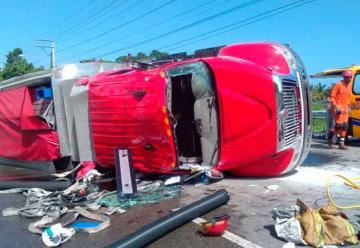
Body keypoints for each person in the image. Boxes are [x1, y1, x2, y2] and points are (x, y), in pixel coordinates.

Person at [328, 69, 352, 149]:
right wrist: (336, 106)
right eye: (348, 77)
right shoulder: (338, 85)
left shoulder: (348, 86)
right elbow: (332, 97)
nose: (349, 79)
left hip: (345, 109)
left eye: (350, 77)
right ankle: (330, 137)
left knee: (345, 126)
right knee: (339, 126)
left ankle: (341, 144)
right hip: (338, 109)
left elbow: (348, 98)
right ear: (344, 77)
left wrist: (348, 108)